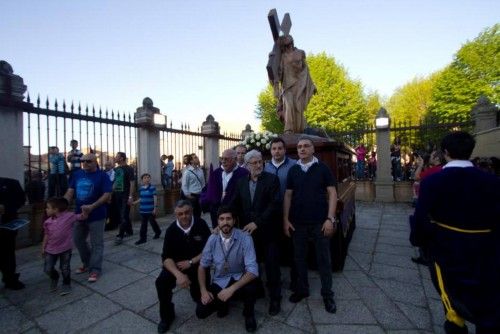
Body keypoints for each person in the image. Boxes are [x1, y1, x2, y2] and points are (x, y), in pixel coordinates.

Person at [412, 131, 500, 334]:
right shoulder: (492, 182)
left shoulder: (434, 181)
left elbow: (421, 218)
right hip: (486, 251)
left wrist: (422, 241)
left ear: (445, 152)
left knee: (453, 301)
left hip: (448, 249)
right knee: (487, 300)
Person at [283, 136, 338, 313]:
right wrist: (285, 220)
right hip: (298, 223)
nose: (302, 149)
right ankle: (303, 289)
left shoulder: (322, 168)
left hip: (320, 222)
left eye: (306, 146)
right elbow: (288, 196)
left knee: (324, 260)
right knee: (299, 259)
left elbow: (332, 193)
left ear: (313, 150)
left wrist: (330, 218)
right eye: (299, 146)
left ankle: (327, 294)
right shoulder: (293, 170)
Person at [231, 150, 282, 315]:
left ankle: (275, 298)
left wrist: (257, 223)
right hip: (249, 234)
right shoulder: (240, 182)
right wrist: (222, 219)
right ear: (246, 166)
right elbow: (234, 204)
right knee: (253, 264)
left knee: (272, 266)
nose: (259, 165)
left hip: (269, 232)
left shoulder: (272, 180)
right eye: (254, 163)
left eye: (260, 162)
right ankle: (258, 289)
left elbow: (274, 205)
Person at [196, 206, 259, 333]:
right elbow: (202, 266)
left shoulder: (245, 238)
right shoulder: (212, 239)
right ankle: (223, 304)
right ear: (217, 222)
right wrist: (203, 290)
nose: (225, 222)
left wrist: (231, 289)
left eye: (229, 218)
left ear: (234, 220)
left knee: (251, 286)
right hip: (220, 279)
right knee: (201, 312)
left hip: (239, 277)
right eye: (222, 219)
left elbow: (252, 270)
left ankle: (249, 314)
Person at [155, 200, 211, 333]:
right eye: (180, 214)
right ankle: (167, 316)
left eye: (187, 212)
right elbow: (166, 258)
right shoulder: (171, 230)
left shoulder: (201, 224)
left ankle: (196, 293)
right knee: (161, 282)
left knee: (203, 309)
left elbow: (209, 250)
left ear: (191, 211)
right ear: (176, 215)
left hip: (197, 265)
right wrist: (178, 274)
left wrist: (191, 262)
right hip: (177, 266)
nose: (184, 216)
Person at [64, 153, 112, 283]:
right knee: (78, 240)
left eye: (88, 161)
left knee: (97, 243)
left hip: (97, 214)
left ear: (95, 162)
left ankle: (95, 269)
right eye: (83, 161)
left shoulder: (103, 176)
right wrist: (62, 204)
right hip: (79, 214)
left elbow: (107, 194)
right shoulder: (77, 174)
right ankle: (87, 263)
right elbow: (70, 191)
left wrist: (92, 206)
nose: (85, 163)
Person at [263, 137, 298, 292]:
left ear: (285, 150)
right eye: (274, 149)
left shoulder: (294, 165)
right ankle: (274, 279)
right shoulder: (265, 167)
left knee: (293, 248)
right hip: (272, 213)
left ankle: (295, 280)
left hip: (291, 212)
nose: (277, 151)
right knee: (274, 247)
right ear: (270, 151)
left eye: (279, 148)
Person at [42, 197, 86, 295]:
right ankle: (55, 277)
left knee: (65, 268)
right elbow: (46, 235)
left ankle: (66, 284)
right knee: (47, 268)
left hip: (65, 249)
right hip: (50, 249)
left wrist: (85, 211)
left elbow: (81, 217)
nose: (46, 209)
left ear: (56, 209)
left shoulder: (69, 216)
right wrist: (43, 247)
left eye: (48, 208)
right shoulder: (47, 222)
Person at [274, 35, 316, 133]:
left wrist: (311, 85)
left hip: (299, 84)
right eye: (286, 45)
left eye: (289, 44)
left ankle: (299, 130)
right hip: (287, 86)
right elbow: (279, 72)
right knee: (289, 105)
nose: (288, 46)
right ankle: (289, 129)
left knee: (298, 108)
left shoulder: (300, 53)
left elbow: (306, 70)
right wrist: (275, 79)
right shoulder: (283, 57)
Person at [200, 149, 249, 228]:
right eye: (222, 158)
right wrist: (214, 199)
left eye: (226, 159)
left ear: (235, 159)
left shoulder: (244, 173)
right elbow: (207, 190)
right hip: (217, 214)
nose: (223, 161)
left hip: (235, 215)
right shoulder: (216, 173)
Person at [0, 177, 26, 290]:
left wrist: (6, 207)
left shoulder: (10, 183)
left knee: (8, 252)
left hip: (7, 227)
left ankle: (10, 278)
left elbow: (21, 200)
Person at [132, 173, 161, 245]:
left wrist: (155, 208)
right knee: (143, 225)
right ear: (142, 180)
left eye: (148, 177)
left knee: (153, 222)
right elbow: (141, 198)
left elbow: (155, 198)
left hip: (150, 210)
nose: (147, 179)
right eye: (145, 178)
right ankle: (142, 239)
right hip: (143, 210)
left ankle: (157, 232)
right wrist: (134, 203)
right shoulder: (141, 188)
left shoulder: (152, 188)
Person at [113, 152, 135, 245]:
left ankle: (120, 235)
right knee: (124, 214)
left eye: (117, 157)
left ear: (121, 158)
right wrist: (110, 193)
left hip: (125, 195)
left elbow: (132, 183)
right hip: (117, 194)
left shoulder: (129, 169)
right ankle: (129, 231)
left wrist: (130, 196)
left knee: (123, 215)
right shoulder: (116, 169)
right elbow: (115, 182)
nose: (115, 158)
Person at [181, 154, 205, 219]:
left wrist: (203, 193)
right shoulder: (187, 172)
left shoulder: (200, 170)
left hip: (200, 195)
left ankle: (197, 228)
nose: (197, 158)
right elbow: (184, 185)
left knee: (198, 214)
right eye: (195, 158)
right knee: (191, 215)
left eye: (197, 157)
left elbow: (203, 183)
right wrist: (188, 195)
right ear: (191, 161)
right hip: (192, 196)